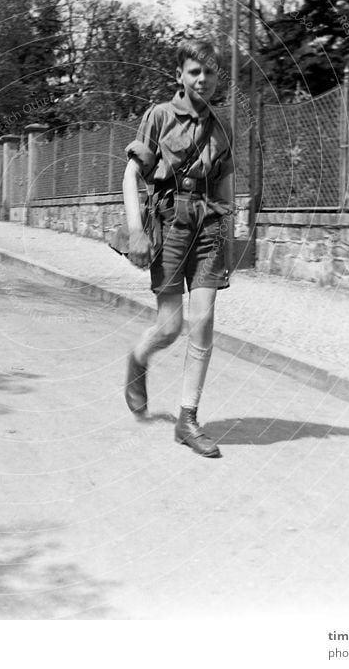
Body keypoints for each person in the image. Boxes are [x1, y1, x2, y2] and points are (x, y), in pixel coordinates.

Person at [122, 38, 234, 458]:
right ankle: (138, 358)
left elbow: (224, 187)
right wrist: (136, 231)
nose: (202, 79)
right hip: (169, 227)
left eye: (209, 72)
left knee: (203, 323)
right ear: (180, 76)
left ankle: (188, 420)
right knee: (170, 328)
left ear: (217, 77)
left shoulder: (221, 127)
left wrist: (228, 233)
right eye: (194, 71)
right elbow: (130, 176)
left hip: (208, 231)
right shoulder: (159, 116)